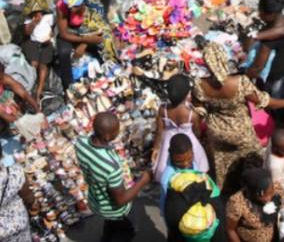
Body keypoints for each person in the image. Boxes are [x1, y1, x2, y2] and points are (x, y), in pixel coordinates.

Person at [194, 42, 284, 193]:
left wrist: (199, 136)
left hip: (216, 132)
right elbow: (264, 101)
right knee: (253, 157)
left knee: (222, 161)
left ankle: (225, 188)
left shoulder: (199, 85)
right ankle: (252, 188)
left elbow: (199, 111)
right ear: (224, 59)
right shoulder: (239, 82)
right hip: (241, 133)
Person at [75, 112, 153, 242]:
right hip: (116, 210)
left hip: (96, 200)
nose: (119, 131)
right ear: (107, 136)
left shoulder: (81, 142)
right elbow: (121, 200)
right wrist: (143, 180)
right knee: (128, 230)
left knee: (111, 225)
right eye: (117, 129)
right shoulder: (111, 167)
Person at [153, 75, 210, 181]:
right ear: (186, 95)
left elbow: (159, 131)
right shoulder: (192, 114)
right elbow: (197, 132)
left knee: (169, 172)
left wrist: (156, 149)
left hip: (168, 143)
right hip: (188, 143)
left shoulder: (162, 110)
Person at [225, 167, 280, 242]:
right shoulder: (237, 203)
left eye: (270, 193)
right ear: (252, 192)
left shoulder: (277, 188)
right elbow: (230, 230)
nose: (268, 199)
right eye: (261, 195)